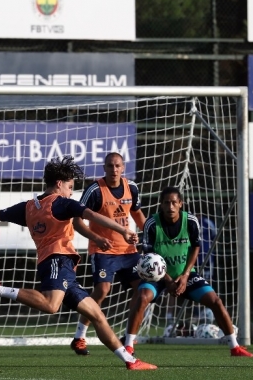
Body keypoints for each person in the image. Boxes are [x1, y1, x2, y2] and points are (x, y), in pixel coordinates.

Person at [0, 156, 157, 371]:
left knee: (97, 315)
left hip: (63, 268)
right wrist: (123, 230)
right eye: (70, 187)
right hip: (58, 260)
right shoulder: (62, 203)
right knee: (51, 305)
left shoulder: (29, 207)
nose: (71, 192)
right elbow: (91, 214)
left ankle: (130, 361)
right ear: (60, 184)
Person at [123, 186, 253, 357]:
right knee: (142, 298)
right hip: (157, 275)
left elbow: (195, 248)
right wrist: (167, 279)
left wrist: (185, 276)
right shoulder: (151, 224)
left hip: (186, 274)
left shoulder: (191, 221)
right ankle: (128, 346)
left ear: (180, 204)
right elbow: (148, 255)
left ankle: (234, 346)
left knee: (215, 301)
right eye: (166, 203)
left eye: (174, 202)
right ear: (161, 205)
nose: (170, 206)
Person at [70, 152, 146, 356]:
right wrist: (96, 238)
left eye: (117, 165)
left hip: (128, 251)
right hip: (103, 251)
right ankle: (79, 336)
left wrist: (148, 234)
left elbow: (137, 213)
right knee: (102, 290)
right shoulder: (95, 190)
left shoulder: (132, 187)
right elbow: (77, 221)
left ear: (123, 168)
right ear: (104, 168)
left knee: (143, 291)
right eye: (110, 166)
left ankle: (129, 340)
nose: (114, 169)